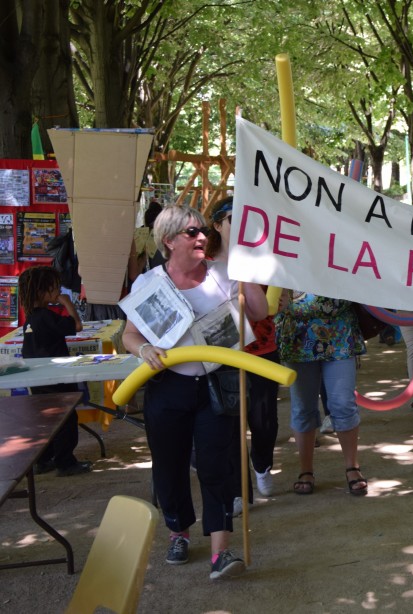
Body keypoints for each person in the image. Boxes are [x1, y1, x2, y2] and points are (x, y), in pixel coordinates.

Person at [121, 204, 268, 581]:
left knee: (217, 463)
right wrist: (143, 349)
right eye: (191, 232)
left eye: (202, 230)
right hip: (168, 387)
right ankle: (178, 531)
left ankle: (221, 552)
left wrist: (245, 270)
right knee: (169, 465)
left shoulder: (223, 274)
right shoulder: (149, 283)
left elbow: (260, 312)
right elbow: (130, 334)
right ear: (168, 240)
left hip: (217, 386)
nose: (202, 236)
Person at [206, 196, 281, 504]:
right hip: (223, 353)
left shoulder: (260, 258)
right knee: (231, 424)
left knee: (264, 421)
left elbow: (262, 309)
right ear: (217, 225)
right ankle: (239, 490)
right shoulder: (204, 262)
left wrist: (243, 267)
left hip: (261, 349)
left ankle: (262, 463)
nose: (239, 226)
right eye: (232, 220)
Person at [275, 290, 368, 497]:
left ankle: (352, 467)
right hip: (296, 335)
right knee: (302, 407)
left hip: (340, 332)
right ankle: (305, 471)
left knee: (343, 403)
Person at [19, 266, 92, 477]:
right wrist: (68, 303)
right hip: (56, 377)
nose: (58, 291)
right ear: (42, 291)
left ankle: (43, 459)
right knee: (66, 419)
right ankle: (65, 462)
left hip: (39, 377)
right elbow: (77, 326)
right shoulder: (46, 316)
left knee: (46, 420)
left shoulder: (32, 317)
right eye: (54, 288)